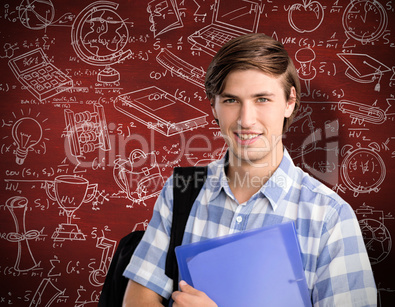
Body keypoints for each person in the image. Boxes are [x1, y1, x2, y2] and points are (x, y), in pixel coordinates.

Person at [122, 33, 377, 306]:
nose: (246, 120)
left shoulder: (330, 216)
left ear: (290, 102)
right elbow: (138, 298)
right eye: (231, 100)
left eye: (262, 99)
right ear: (214, 106)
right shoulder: (181, 191)